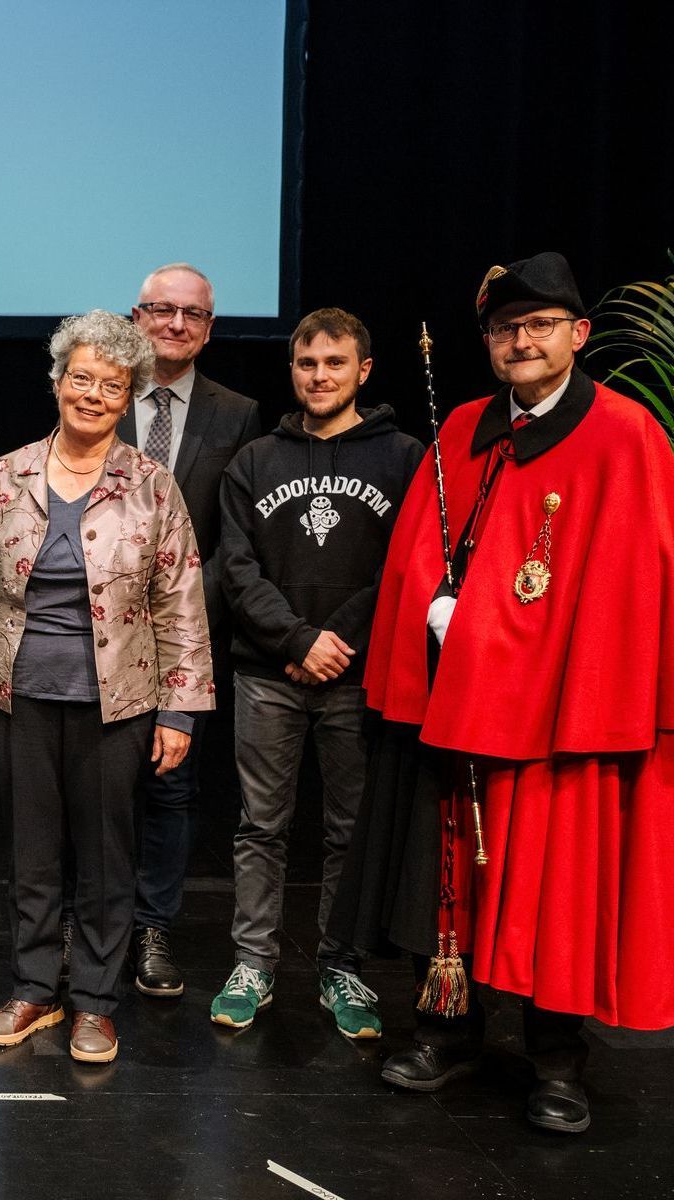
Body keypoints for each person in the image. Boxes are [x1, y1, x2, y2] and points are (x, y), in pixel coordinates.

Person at [335, 252, 674, 1133]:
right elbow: (418, 553)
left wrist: (487, 624)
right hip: (454, 707)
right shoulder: (462, 432)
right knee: (442, 877)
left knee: (549, 885)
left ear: (578, 334)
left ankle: (556, 1061)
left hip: (557, 718)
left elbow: (633, 585)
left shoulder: (624, 432)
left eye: (539, 326)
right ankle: (447, 1032)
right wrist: (433, 605)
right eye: (503, 329)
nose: (520, 342)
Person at [0, 310, 212, 1063]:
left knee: (104, 855)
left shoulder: (152, 485)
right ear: (58, 381)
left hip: (118, 702)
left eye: (111, 385)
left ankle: (94, 999)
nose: (92, 394)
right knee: (30, 851)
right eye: (81, 378)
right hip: (17, 698)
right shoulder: (7, 474)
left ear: (128, 400)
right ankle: (34, 988)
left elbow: (180, 602)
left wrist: (180, 712)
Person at [209, 308, 423, 1037]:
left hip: (361, 676)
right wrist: (299, 640)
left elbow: (408, 567)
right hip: (269, 672)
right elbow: (236, 570)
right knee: (261, 825)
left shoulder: (405, 457)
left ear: (364, 371)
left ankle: (342, 966)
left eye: (335, 363)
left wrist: (338, 643)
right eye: (307, 364)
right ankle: (254, 964)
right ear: (292, 370)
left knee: (348, 829)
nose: (320, 376)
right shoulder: (254, 461)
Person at [120, 263, 260, 997]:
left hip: (187, 636)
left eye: (192, 316)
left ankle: (153, 930)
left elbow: (236, 537)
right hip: (92, 638)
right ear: (135, 316)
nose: (176, 325)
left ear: (210, 328)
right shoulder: (94, 393)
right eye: (161, 311)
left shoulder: (237, 414)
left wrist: (173, 603)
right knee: (99, 789)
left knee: (170, 791)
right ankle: (97, 927)